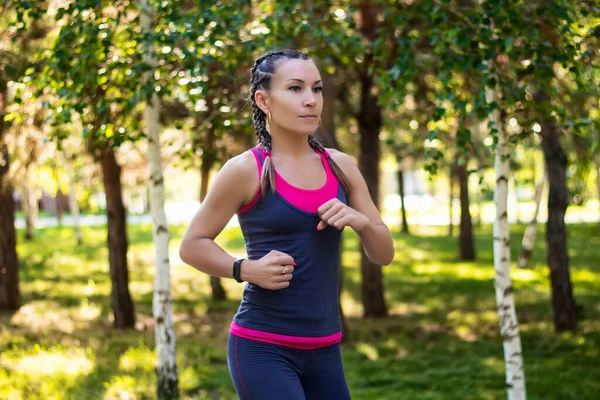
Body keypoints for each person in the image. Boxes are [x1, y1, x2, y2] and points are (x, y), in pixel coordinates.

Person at [179, 49, 394, 400]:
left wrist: (362, 223)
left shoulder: (341, 166)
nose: (311, 100)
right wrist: (245, 269)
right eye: (295, 89)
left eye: (317, 89)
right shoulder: (246, 169)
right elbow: (192, 245)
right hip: (262, 347)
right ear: (263, 100)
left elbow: (383, 254)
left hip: (326, 349)